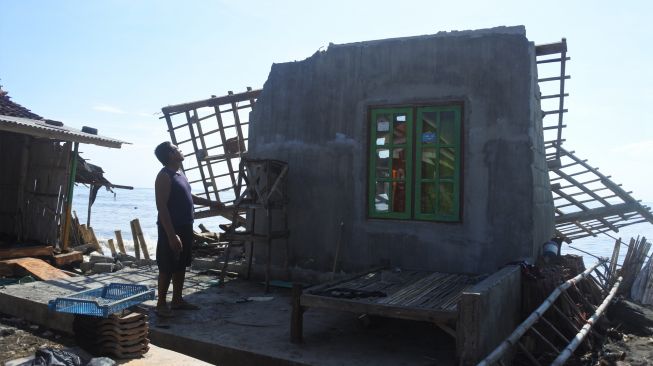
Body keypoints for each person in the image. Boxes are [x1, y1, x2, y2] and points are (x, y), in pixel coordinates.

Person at [153, 141, 224, 317]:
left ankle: (177, 300)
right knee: (167, 266)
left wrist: (211, 203)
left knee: (181, 264)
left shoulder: (179, 173)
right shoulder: (164, 176)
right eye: (177, 149)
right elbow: (161, 207)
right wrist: (171, 235)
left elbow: (190, 196)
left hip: (185, 226)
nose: (180, 150)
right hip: (171, 228)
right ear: (170, 155)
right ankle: (161, 304)